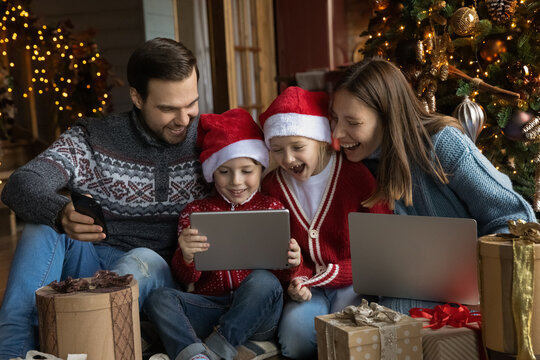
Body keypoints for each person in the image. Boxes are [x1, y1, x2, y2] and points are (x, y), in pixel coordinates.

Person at [0, 37, 210, 359]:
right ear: (137, 97)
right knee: (41, 226)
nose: (184, 120)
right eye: (168, 108)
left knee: (143, 257)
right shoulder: (93, 138)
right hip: (90, 259)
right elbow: (21, 183)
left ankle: (82, 339)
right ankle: (13, 351)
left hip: (159, 271)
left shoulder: (210, 139)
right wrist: (60, 213)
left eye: (191, 103)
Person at [330, 58, 537, 313]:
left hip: (474, 294)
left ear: (387, 117)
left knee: (389, 317)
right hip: (399, 289)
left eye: (352, 122)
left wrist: (477, 274)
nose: (337, 134)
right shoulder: (352, 165)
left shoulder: (443, 145)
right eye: (335, 119)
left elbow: (515, 218)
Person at [144, 108, 301, 360]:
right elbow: (185, 276)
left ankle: (215, 350)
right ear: (211, 173)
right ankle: (196, 356)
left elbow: (279, 280)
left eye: (246, 171)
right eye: (224, 171)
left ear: (261, 168)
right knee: (159, 298)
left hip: (258, 315)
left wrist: (293, 262)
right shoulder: (195, 212)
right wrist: (186, 257)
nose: (236, 181)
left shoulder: (273, 208)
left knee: (264, 281)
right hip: (210, 307)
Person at [259, 86, 391, 359]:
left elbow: (381, 252)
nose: (288, 159)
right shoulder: (272, 187)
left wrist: (333, 274)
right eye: (277, 150)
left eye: (298, 147)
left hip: (354, 281)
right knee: (295, 340)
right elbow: (278, 254)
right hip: (310, 288)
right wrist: (296, 278)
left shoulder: (356, 177)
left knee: (352, 339)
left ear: (320, 140)